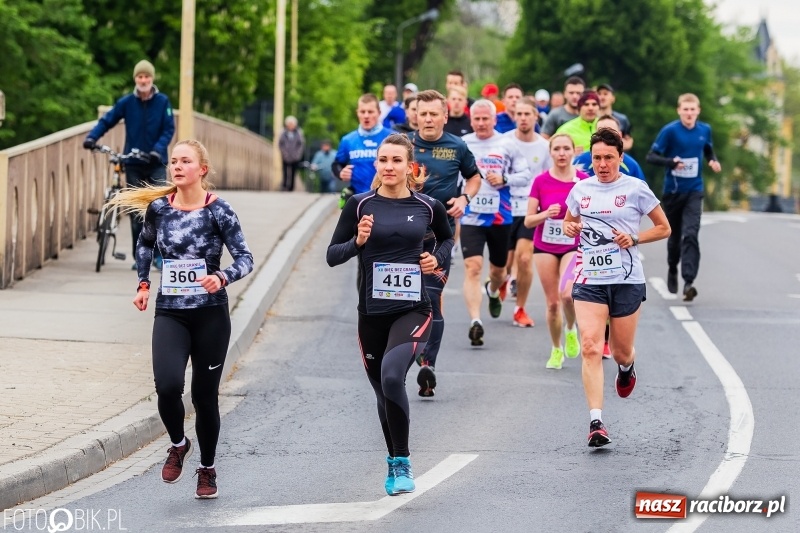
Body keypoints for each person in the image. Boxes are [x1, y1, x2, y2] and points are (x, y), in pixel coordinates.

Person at [109, 139, 254, 498]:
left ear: (201, 169)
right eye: (173, 161)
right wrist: (143, 283)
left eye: (185, 161)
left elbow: (245, 259)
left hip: (210, 315)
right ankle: (178, 443)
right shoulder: (159, 209)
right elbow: (145, 244)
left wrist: (221, 277)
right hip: (171, 311)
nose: (177, 166)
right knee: (168, 386)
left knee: (205, 397)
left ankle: (207, 469)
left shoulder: (220, 211)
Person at [326, 133, 454, 495]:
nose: (389, 167)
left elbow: (446, 239)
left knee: (393, 375)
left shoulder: (429, 206)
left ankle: (402, 462)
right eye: (383, 160)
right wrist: (359, 242)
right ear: (377, 165)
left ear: (409, 166)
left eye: (397, 160)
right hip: (371, 314)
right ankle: (392, 458)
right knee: (383, 391)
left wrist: (436, 259)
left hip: (413, 309)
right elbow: (333, 254)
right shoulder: (359, 204)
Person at [563, 128, 670, 447]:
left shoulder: (636, 188)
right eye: (597, 158)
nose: (603, 164)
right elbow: (571, 222)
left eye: (609, 157)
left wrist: (635, 238)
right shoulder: (581, 189)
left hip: (626, 279)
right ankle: (596, 421)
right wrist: (570, 226)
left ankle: (627, 367)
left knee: (621, 350)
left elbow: (664, 228)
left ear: (620, 158)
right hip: (590, 278)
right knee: (592, 346)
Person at [409, 89, 481, 396]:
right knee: (405, 299)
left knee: (432, 297)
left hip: (440, 235)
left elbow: (474, 177)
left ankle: (428, 364)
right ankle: (403, 355)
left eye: (433, 114)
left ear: (444, 116)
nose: (427, 119)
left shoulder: (457, 146)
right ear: (416, 115)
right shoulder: (404, 145)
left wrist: (465, 197)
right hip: (403, 233)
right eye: (422, 113)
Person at [83, 59, 175, 270]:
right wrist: (92, 138)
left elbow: (168, 129)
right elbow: (108, 120)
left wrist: (157, 150)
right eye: (140, 76)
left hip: (155, 162)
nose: (143, 80)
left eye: (147, 77)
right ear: (135, 79)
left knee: (158, 210)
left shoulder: (162, 102)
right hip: (133, 163)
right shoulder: (127, 103)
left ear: (152, 79)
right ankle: (140, 257)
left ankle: (159, 256)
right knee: (136, 212)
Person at [461, 99, 529, 346]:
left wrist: (505, 178)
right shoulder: (464, 143)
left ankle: (492, 290)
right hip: (471, 215)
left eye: (485, 119)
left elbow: (525, 175)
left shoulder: (507, 143)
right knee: (473, 268)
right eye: (476, 119)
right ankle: (475, 322)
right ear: (471, 120)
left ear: (494, 119)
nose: (480, 123)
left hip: (501, 216)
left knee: (499, 271)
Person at [646, 93, 721, 301]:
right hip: (673, 192)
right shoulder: (670, 131)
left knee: (691, 233)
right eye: (685, 109)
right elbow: (651, 157)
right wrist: (671, 162)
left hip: (694, 190)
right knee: (674, 236)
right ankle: (672, 267)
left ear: (698, 111)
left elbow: (707, 150)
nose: (689, 113)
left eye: (692, 109)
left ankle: (689, 281)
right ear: (679, 110)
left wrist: (712, 161)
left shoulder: (705, 130)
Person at [524, 134, 587, 368]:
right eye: (557, 149)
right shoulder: (541, 181)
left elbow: (595, 213)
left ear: (573, 152)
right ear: (550, 153)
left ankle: (571, 328)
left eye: (566, 149)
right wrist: (545, 214)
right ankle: (556, 348)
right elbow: (528, 221)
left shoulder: (583, 180)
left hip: (573, 244)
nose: (561, 153)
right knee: (552, 304)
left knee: (567, 295)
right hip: (545, 246)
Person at [502, 97, 552, 327]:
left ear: (535, 117)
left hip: (529, 208)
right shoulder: (503, 142)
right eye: (519, 114)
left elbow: (548, 179)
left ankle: (520, 309)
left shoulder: (543, 146)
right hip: (503, 207)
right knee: (502, 262)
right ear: (514, 116)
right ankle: (499, 281)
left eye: (527, 114)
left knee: (524, 258)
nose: (523, 118)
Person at [332, 93, 393, 198]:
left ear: (379, 113)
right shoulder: (348, 140)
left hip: (387, 198)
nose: (366, 116)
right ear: (357, 113)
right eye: (362, 112)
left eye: (370, 112)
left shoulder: (392, 137)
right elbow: (336, 164)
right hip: (358, 198)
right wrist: (341, 173)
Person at [573, 115, 646, 180]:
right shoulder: (580, 161)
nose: (605, 137)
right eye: (600, 132)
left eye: (610, 133)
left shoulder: (631, 165)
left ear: (620, 135)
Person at [596, 83, 633, 151]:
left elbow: (629, 141)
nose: (602, 97)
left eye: (605, 94)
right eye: (599, 94)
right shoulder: (591, 118)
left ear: (613, 98)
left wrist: (614, 145)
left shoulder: (622, 119)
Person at [278, 115, 306, 191]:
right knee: (285, 171)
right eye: (289, 124)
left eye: (292, 124)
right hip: (285, 155)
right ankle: (284, 185)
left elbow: (301, 144)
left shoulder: (299, 133)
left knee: (293, 172)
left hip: (295, 156)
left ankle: (291, 187)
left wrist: (297, 154)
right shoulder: (283, 133)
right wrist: (284, 153)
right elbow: (280, 144)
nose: (291, 126)